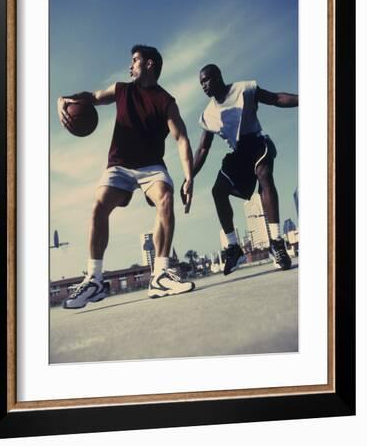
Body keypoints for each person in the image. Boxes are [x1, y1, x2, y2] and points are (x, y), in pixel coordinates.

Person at [58, 45, 195, 308]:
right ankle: (95, 280)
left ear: (150, 64)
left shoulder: (166, 101)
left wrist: (189, 177)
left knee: (166, 197)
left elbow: (181, 139)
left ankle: (160, 275)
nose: (130, 66)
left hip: (150, 166)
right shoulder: (122, 90)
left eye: (134, 60)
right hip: (119, 165)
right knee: (99, 205)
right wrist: (64, 98)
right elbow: (94, 96)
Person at [184, 63, 298, 275]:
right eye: (201, 83)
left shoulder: (244, 89)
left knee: (264, 175)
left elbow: (275, 99)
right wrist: (189, 177)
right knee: (217, 191)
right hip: (239, 154)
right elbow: (202, 149)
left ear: (218, 77)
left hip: (256, 143)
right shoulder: (209, 114)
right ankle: (234, 248)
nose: (204, 86)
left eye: (206, 80)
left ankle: (276, 242)